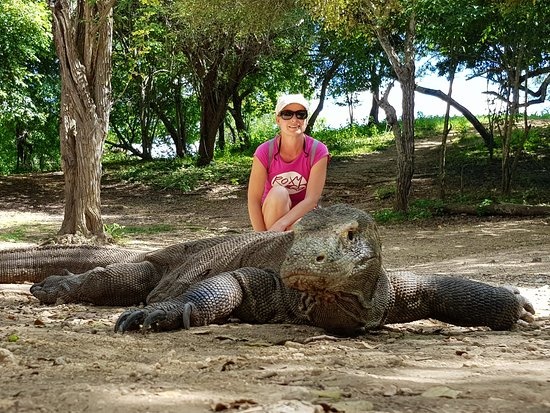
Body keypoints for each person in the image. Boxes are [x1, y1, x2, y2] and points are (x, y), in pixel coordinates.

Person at [247, 94, 330, 232]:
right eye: (287, 114)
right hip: (272, 213)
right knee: (279, 193)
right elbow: (253, 200)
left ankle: (277, 243)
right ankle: (269, 245)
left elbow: (311, 200)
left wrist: (281, 225)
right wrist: (260, 237)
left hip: (302, 217)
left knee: (296, 228)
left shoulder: (318, 151)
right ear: (278, 119)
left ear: (306, 119)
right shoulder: (264, 152)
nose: (294, 119)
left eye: (300, 114)